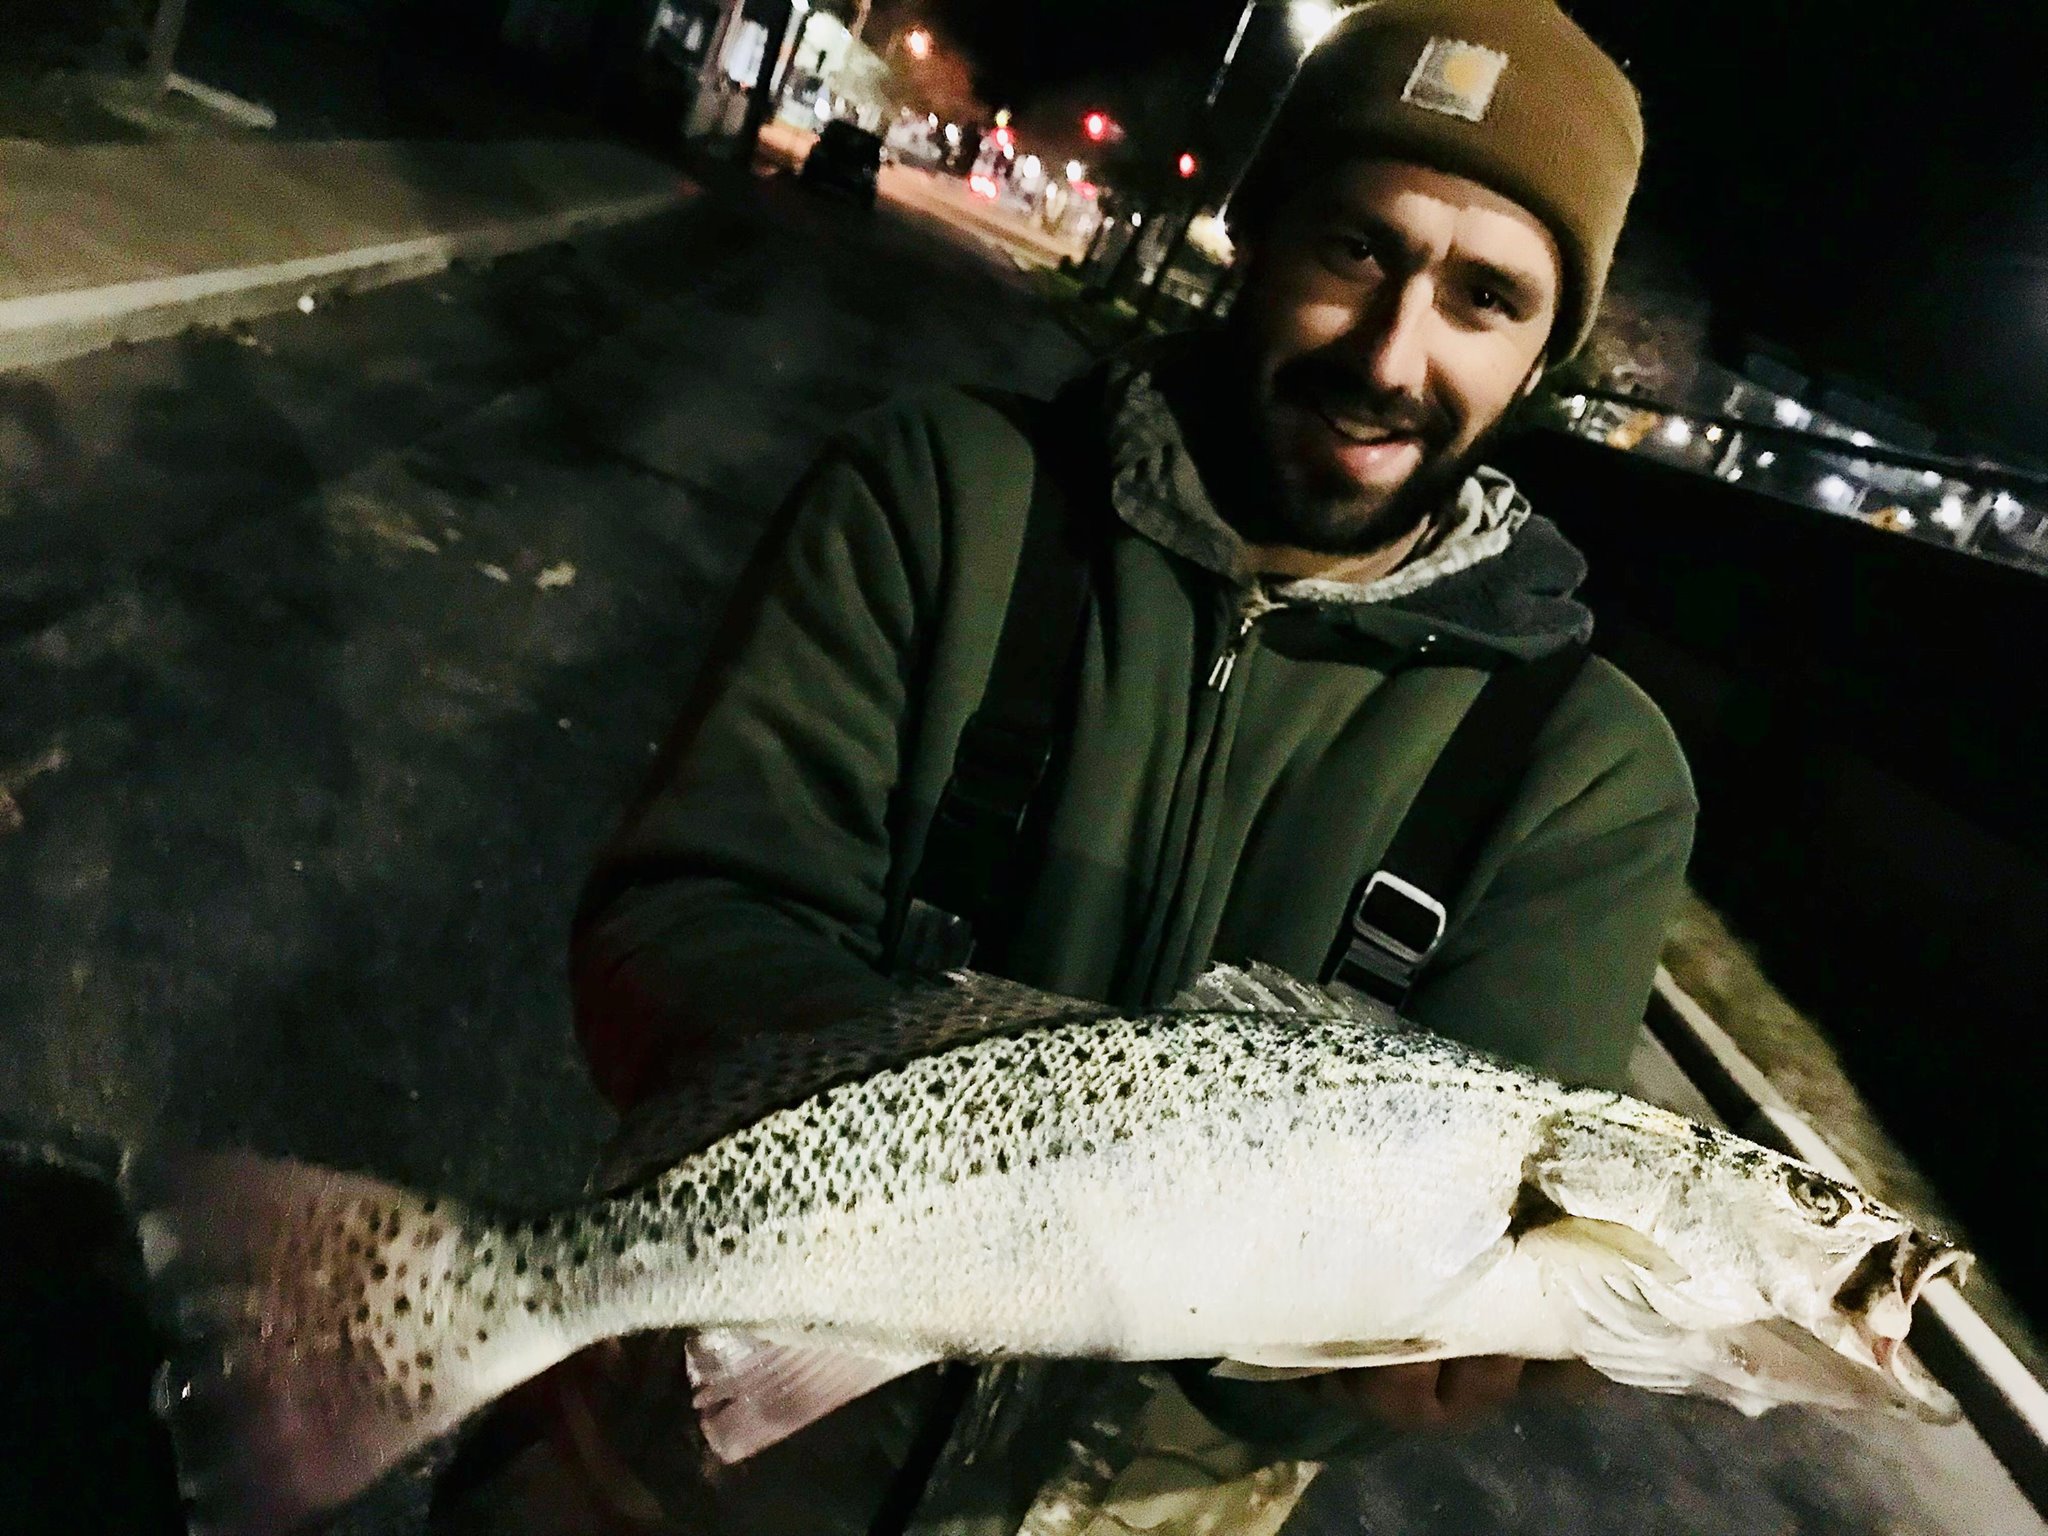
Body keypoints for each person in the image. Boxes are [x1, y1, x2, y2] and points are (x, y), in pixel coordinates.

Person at [439, 1, 1696, 1530]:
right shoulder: (933, 493)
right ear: (1254, 232)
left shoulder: (1589, 776)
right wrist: (997, 1148)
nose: (1392, 353)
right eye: (1357, 249)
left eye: (1485, 299)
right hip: (684, 1452)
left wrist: (1373, 1353)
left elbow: (1420, 1308)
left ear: (1544, 356)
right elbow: (681, 920)